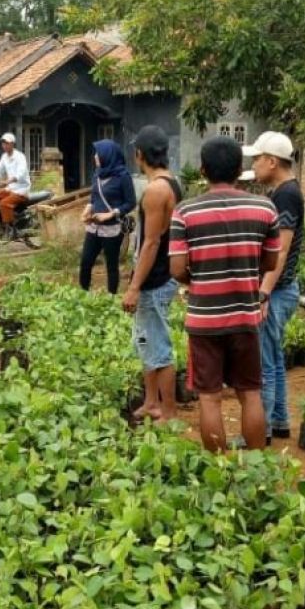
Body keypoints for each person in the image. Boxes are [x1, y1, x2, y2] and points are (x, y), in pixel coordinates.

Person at [170, 136, 280, 451]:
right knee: (250, 392)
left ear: (203, 170)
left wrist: (200, 278)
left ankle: (218, 468)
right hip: (246, 316)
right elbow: (271, 261)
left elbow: (177, 269)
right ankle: (258, 468)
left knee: (210, 397)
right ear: (239, 169)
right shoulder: (264, 208)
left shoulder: (185, 211)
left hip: (204, 319)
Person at [242, 131, 304, 443]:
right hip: (282, 288)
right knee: (275, 358)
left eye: (256, 159)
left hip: (276, 291)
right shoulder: (284, 191)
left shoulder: (286, 195)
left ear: (271, 161)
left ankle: (260, 430)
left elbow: (280, 250)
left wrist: (262, 293)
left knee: (263, 362)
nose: (254, 165)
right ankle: (279, 421)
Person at [121, 126, 183, 421]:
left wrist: (134, 286)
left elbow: (151, 241)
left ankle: (167, 410)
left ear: (139, 155)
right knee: (144, 338)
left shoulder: (156, 190)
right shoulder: (171, 182)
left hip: (155, 279)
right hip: (155, 276)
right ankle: (150, 401)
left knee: (157, 344)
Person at [80, 139, 137, 294]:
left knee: (111, 265)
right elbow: (94, 198)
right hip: (93, 227)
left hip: (112, 229)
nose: (95, 157)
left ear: (108, 155)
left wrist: (111, 214)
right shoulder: (97, 174)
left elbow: (131, 202)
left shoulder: (123, 176)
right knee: (86, 261)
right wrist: (87, 209)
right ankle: (82, 294)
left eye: (98, 153)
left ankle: (111, 297)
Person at [0, 132, 30, 226]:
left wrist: (7, 182)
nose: (4, 145)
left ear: (12, 144)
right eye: (3, 143)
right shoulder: (4, 156)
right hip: (10, 188)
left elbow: (20, 174)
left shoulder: (20, 156)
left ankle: (9, 228)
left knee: (3, 203)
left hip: (21, 190)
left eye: (7, 143)